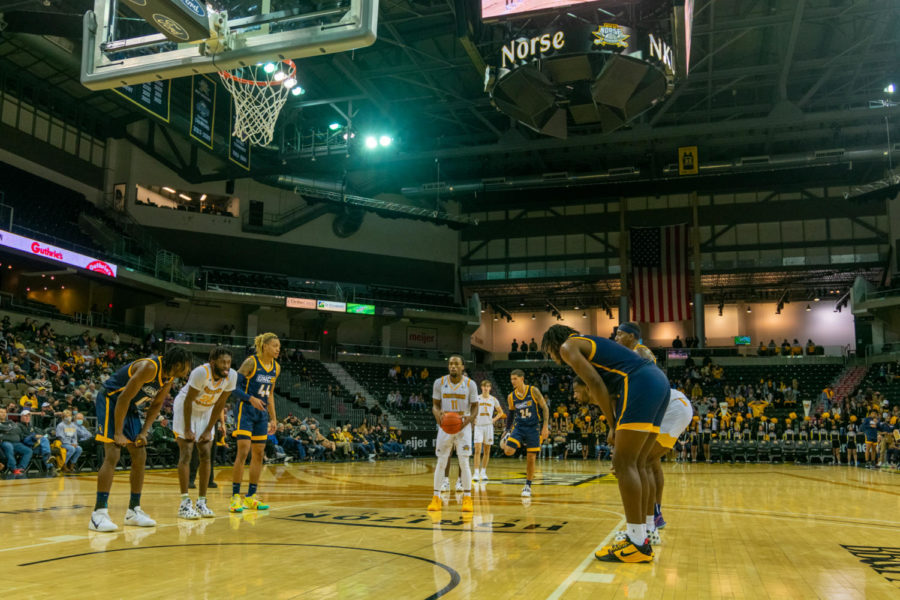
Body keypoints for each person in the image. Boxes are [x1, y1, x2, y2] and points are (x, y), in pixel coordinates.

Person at [542, 324, 668, 563]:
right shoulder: (593, 345)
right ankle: (640, 536)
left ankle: (636, 544)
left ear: (553, 343)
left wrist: (613, 424)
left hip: (640, 382)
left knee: (624, 464)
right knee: (640, 463)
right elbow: (606, 385)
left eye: (548, 350)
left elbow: (595, 385)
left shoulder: (569, 346)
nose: (551, 356)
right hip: (658, 381)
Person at [90, 347, 192, 532]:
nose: (188, 370)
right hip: (111, 399)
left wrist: (144, 432)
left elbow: (156, 405)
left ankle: (133, 510)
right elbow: (122, 398)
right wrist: (118, 433)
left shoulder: (168, 378)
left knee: (140, 455)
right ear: (178, 364)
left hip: (127, 406)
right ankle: (98, 513)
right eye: (187, 366)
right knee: (113, 453)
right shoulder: (149, 367)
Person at [173, 347, 237, 519]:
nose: (226, 366)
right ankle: (184, 503)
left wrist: (209, 429)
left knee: (206, 452)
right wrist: (187, 429)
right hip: (186, 408)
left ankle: (201, 501)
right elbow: (188, 401)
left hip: (206, 410)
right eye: (223, 362)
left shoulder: (232, 376)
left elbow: (220, 404)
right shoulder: (201, 373)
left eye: (229, 362)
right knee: (187, 452)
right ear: (212, 362)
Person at [231, 333, 280, 513]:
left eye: (279, 347)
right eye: (275, 346)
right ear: (265, 346)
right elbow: (233, 387)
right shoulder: (251, 362)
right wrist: (250, 398)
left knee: (258, 454)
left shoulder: (276, 367)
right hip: (245, 410)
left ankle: (251, 496)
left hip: (262, 414)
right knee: (243, 450)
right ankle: (235, 497)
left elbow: (271, 394)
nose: (277, 349)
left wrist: (274, 418)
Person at [427, 355, 478, 513]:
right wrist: (438, 417)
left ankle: (467, 499)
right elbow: (435, 406)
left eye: (456, 364)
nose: (453, 366)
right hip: (445, 424)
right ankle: (436, 498)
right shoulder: (439, 382)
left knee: (464, 462)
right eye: (450, 364)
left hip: (463, 424)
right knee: (441, 462)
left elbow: (476, 407)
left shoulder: (470, 384)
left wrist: (468, 420)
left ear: (463, 367)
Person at [500, 369, 550, 498]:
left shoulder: (533, 391)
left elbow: (545, 408)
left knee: (531, 459)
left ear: (522, 378)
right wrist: (507, 429)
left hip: (534, 427)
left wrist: (545, 427)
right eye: (511, 379)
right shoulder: (511, 396)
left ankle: (528, 485)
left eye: (515, 379)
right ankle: (511, 439)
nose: (512, 382)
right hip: (519, 426)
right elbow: (511, 414)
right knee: (508, 451)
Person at [472, 380, 505, 482]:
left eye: (488, 386)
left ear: (490, 388)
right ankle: (476, 472)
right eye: (484, 386)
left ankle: (483, 472)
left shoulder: (493, 399)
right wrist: (473, 419)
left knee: (487, 450)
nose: (486, 388)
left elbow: (501, 412)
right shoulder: (476, 398)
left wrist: (494, 420)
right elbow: (470, 410)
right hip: (478, 426)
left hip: (488, 427)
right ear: (481, 387)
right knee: (477, 450)